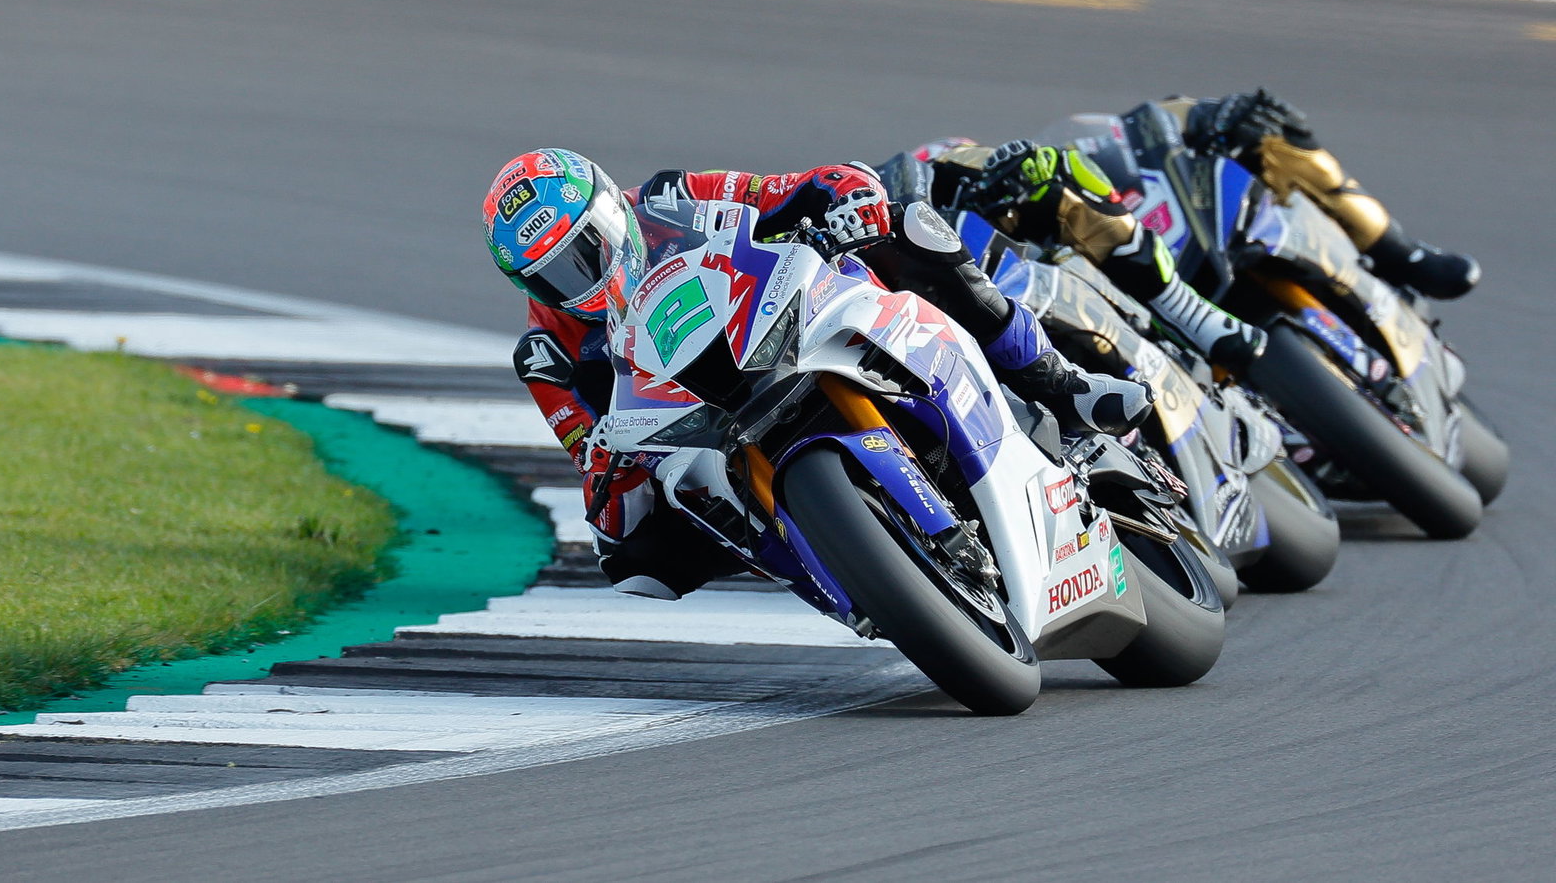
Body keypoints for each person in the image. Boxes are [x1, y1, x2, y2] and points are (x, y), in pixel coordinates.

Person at [484, 147, 1153, 600]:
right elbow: (594, 470)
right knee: (632, 561)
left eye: (587, 249)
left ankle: (1057, 381)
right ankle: (834, 567)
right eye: (555, 274)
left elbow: (798, 187)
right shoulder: (547, 350)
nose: (583, 277)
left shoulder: (667, 198)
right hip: (697, 420)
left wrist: (848, 200)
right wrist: (606, 463)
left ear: (609, 210)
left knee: (908, 228)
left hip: (781, 320)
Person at [913, 89, 1480, 370]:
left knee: (1272, 125)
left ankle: (1400, 252)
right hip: (1113, 308)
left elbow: (1160, 121)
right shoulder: (982, 250)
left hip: (1171, 240)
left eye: (966, 168)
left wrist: (1217, 117)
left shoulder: (1059, 162)